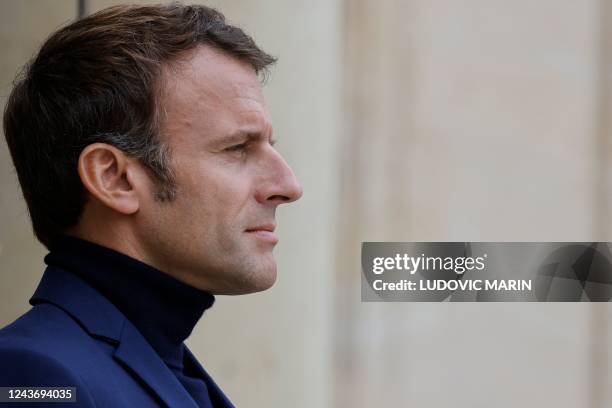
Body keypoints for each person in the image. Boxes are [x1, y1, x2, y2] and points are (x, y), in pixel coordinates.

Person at [0, 3, 302, 407]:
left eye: (269, 145)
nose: (288, 186)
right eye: (236, 148)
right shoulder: (37, 375)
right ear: (115, 178)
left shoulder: (166, 363)